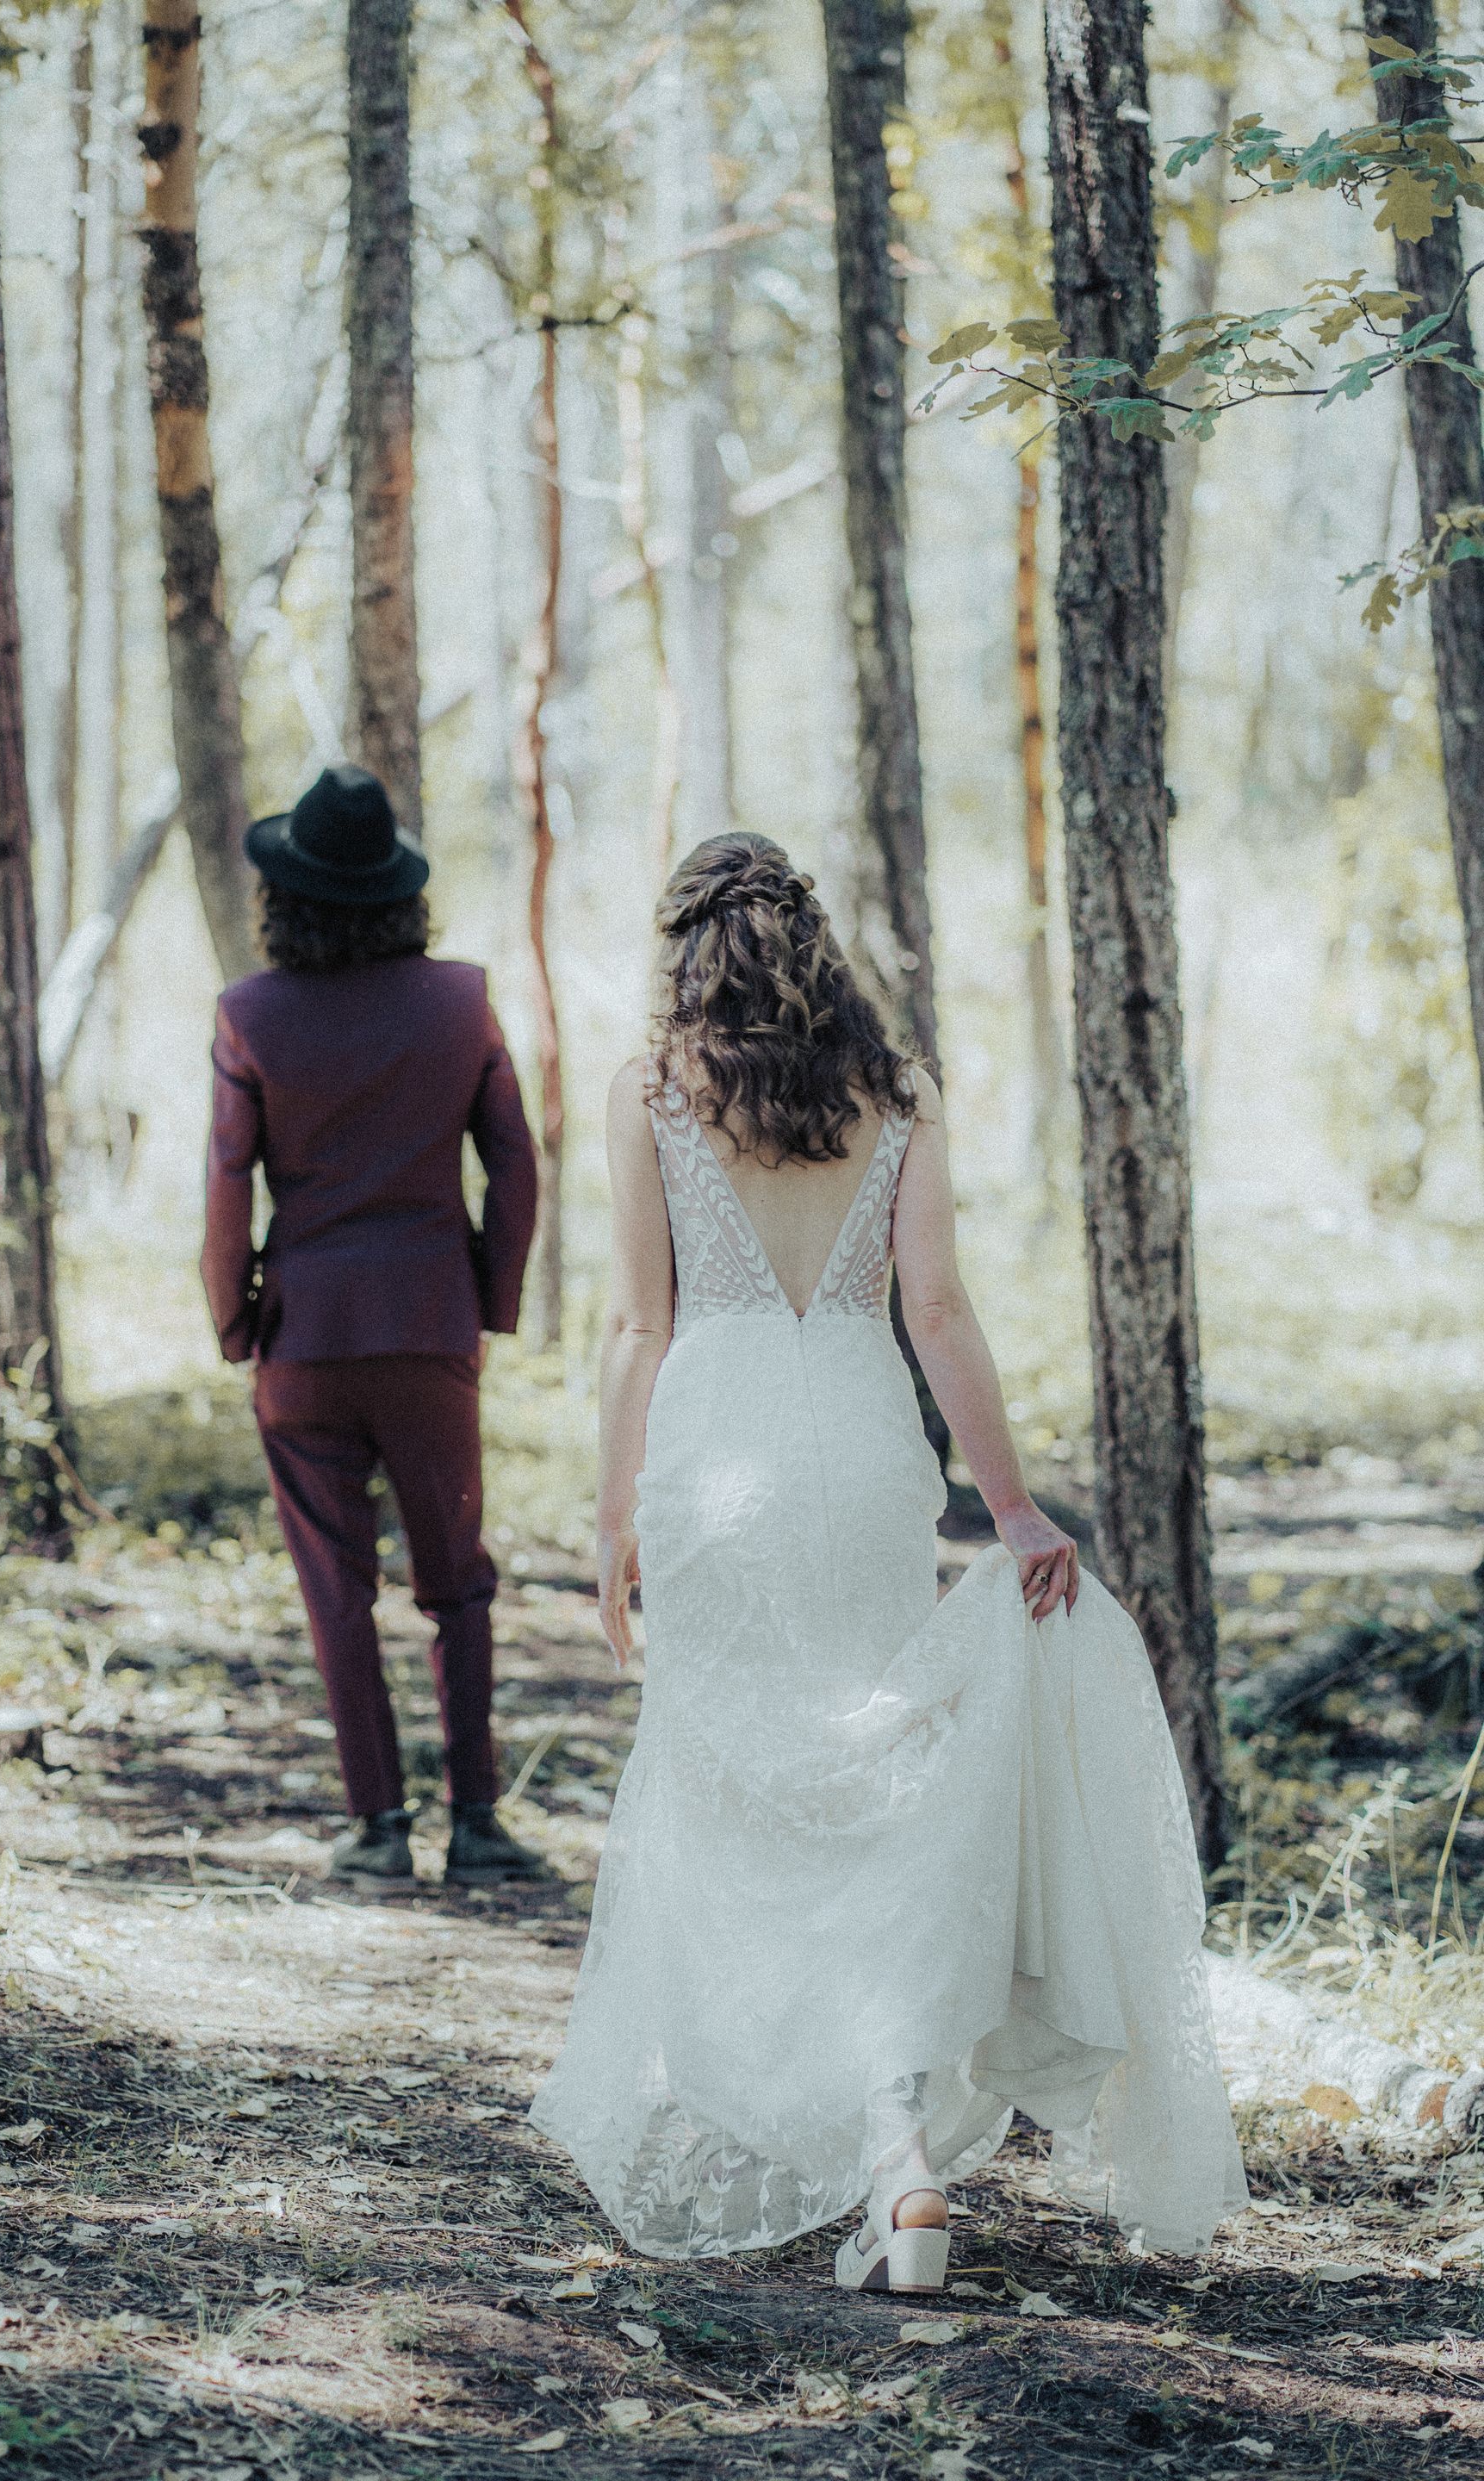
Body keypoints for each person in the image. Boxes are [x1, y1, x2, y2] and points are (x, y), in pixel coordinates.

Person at [531, 834, 1246, 2286]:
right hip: (864, 1457)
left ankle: (826, 2123)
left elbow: (636, 1329)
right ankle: (893, 2150)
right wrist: (1017, 1508)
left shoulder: (649, 1094)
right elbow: (938, 1308)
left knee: (736, 1788)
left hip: (712, 1455)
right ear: (813, 949)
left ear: (684, 956)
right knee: (869, 1783)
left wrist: (613, 1521)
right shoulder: (897, 1094)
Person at [200, 762, 542, 1887]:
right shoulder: (461, 1000)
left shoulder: (248, 1016)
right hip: (429, 1325)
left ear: (286, 897)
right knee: (460, 1580)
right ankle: (480, 1824)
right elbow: (514, 1160)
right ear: (400, 891)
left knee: (335, 1588)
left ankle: (379, 1827)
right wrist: (488, 1297)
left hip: (304, 1339)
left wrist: (235, 1317)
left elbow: (226, 1182)